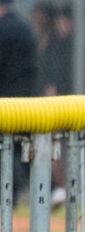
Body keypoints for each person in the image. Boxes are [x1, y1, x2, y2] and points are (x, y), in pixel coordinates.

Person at [0, 0, 38, 206]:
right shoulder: (25, 27)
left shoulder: (3, 28)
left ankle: (10, 196)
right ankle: (47, 189)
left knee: (7, 146)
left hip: (6, 100)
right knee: (22, 147)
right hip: (27, 98)